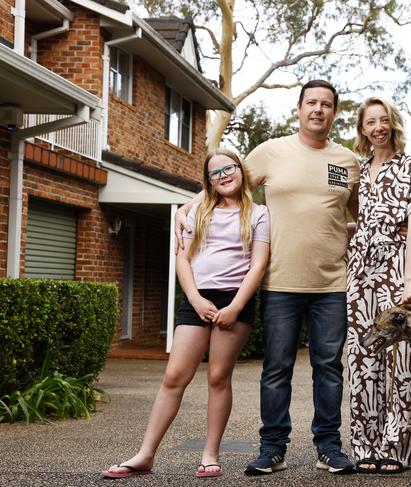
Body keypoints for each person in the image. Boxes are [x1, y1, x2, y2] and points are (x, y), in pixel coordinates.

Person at [175, 80, 360, 475]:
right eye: (311, 102)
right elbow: (223, 181)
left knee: (329, 366)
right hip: (279, 283)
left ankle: (328, 446)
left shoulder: (347, 161)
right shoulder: (271, 152)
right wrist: (185, 208)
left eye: (326, 104)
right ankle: (272, 448)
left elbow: (355, 216)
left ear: (334, 113)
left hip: (331, 284)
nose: (318, 110)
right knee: (277, 367)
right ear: (299, 108)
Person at [102, 148, 270, 479]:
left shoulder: (259, 213)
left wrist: (235, 306)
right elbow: (182, 259)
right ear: (208, 182)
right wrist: (194, 299)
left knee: (218, 376)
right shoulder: (195, 214)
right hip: (198, 298)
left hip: (235, 300)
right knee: (174, 376)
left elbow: (259, 263)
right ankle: (145, 454)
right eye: (216, 173)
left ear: (241, 170)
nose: (224, 176)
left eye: (229, 168)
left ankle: (210, 454)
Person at [346, 97, 411, 474]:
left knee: (398, 358)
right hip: (359, 271)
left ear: (393, 124)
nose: (378, 127)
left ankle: (397, 447)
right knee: (363, 356)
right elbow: (351, 211)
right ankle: (366, 446)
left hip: (397, 268)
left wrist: (409, 279)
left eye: (384, 120)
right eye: (371, 122)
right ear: (362, 129)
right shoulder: (357, 170)